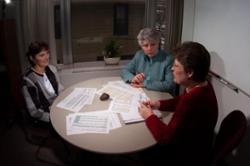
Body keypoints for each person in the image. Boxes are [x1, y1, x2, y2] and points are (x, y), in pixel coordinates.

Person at [138, 41, 218, 165]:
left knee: (143, 146)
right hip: (200, 145)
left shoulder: (191, 100)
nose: (171, 68)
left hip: (185, 156)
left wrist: (149, 115)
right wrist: (158, 104)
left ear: (190, 72)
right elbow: (180, 101)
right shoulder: (203, 86)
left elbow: (165, 138)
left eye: (176, 66)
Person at [121, 28, 175, 94]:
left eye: (153, 44)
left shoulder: (168, 59)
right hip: (141, 94)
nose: (149, 48)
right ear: (141, 46)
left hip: (160, 97)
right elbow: (125, 70)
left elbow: (170, 85)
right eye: (146, 45)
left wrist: (145, 83)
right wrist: (133, 78)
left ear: (158, 44)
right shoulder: (139, 55)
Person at [22, 41, 64, 124]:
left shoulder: (52, 69)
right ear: (32, 58)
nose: (47, 57)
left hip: (57, 107)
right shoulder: (28, 80)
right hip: (45, 116)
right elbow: (34, 111)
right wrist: (55, 118)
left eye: (47, 53)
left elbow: (60, 89)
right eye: (41, 55)